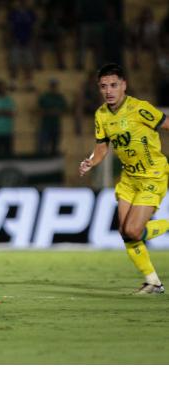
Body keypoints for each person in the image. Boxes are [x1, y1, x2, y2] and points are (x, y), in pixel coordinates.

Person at [79, 63, 169, 294]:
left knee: (132, 230)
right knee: (125, 231)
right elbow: (101, 148)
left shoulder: (140, 109)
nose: (108, 90)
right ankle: (153, 282)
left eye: (113, 85)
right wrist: (91, 162)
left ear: (124, 85)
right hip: (129, 178)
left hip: (153, 175)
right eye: (103, 86)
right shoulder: (101, 115)